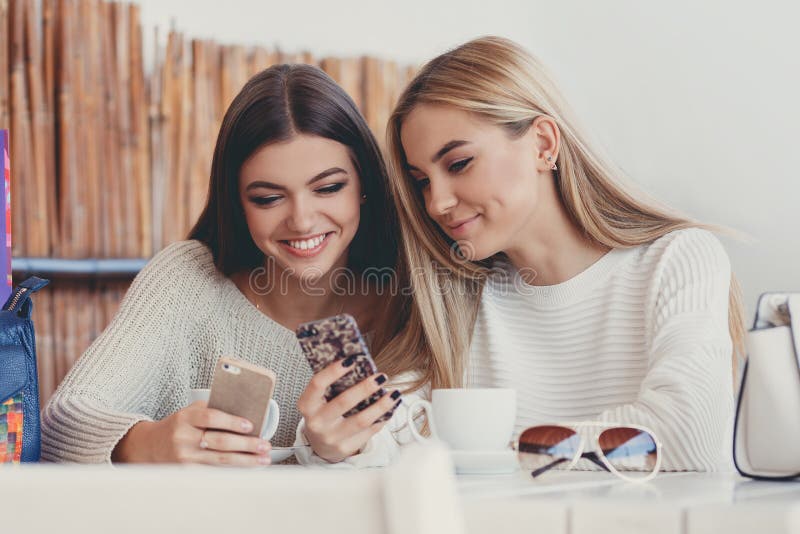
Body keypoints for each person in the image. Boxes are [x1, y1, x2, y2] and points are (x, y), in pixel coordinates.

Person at [359, 36, 744, 471]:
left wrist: (506, 452)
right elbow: (379, 439)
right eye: (422, 180)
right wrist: (332, 438)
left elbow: (689, 435)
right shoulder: (454, 298)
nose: (436, 203)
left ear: (543, 144)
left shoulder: (676, 260)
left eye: (459, 163)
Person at [41, 64, 408, 465]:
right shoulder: (189, 280)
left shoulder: (414, 298)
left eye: (328, 188)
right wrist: (146, 444)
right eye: (268, 198)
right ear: (236, 204)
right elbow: (62, 424)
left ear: (365, 186)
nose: (302, 220)